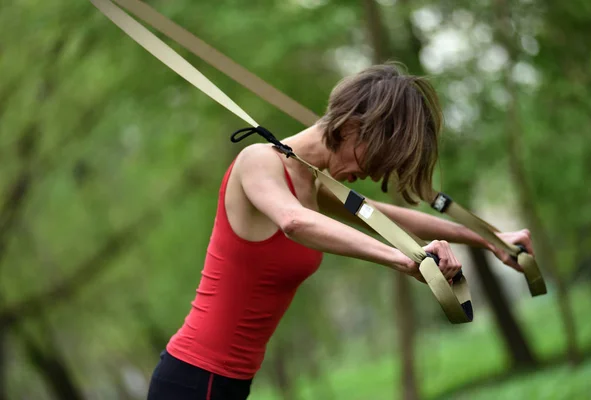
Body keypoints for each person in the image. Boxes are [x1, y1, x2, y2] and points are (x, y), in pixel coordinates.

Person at [146, 63, 533, 400]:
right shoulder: (257, 162)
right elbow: (294, 222)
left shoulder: (312, 184)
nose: (370, 175)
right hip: (195, 380)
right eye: (373, 159)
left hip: (227, 383)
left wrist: (492, 238)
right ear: (349, 128)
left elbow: (391, 217)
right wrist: (405, 260)